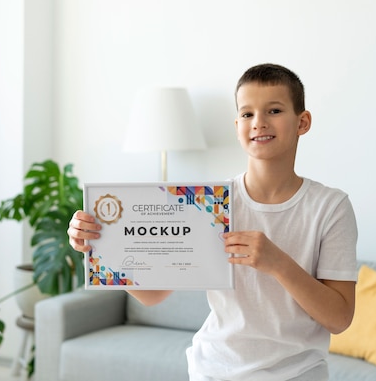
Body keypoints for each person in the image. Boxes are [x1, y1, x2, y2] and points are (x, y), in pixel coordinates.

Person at [67, 63, 358, 381]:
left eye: (274, 110)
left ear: (302, 122)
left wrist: (277, 263)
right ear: (237, 126)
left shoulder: (330, 207)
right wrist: (99, 248)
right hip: (214, 371)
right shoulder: (209, 203)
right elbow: (154, 295)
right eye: (247, 114)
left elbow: (339, 318)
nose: (259, 122)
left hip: (299, 374)